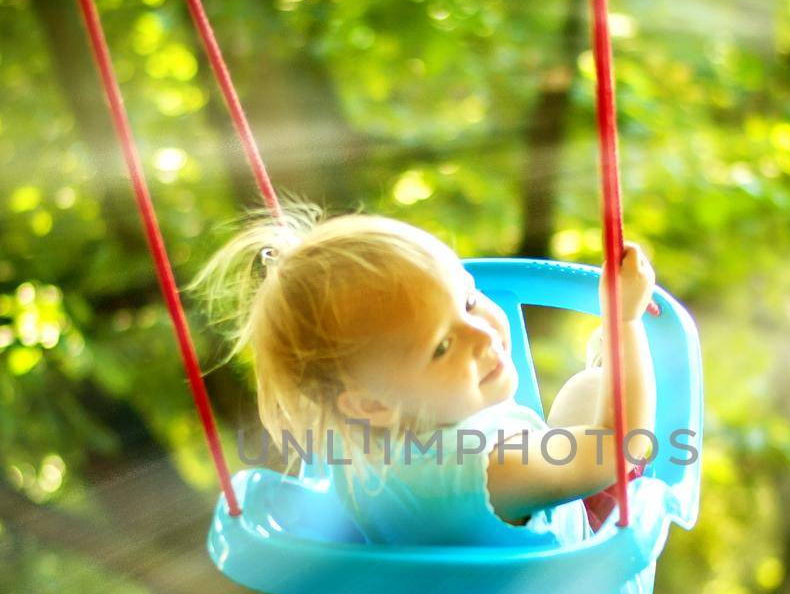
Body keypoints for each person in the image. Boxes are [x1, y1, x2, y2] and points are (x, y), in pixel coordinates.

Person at [195, 207, 655, 548]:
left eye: (470, 301)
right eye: (440, 346)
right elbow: (622, 443)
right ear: (371, 403)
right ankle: (606, 362)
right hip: (557, 578)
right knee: (589, 389)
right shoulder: (493, 463)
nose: (482, 335)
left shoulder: (352, 442)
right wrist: (624, 323)